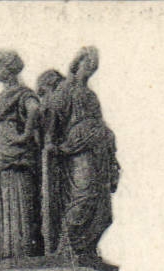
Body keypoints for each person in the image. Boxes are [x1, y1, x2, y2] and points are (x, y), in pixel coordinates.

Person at [42, 47, 119, 257]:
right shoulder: (67, 89)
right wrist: (49, 141)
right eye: (88, 64)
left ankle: (85, 248)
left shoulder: (91, 95)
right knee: (82, 196)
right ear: (77, 64)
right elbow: (52, 116)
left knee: (100, 205)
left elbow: (99, 121)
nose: (90, 69)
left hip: (98, 150)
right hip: (78, 148)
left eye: (94, 66)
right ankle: (67, 248)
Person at [0, 49, 42, 261]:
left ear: (8, 68)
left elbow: (35, 109)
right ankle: (6, 251)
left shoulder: (21, 92)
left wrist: (24, 135)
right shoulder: (5, 95)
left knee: (16, 199)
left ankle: (18, 251)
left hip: (14, 157)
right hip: (0, 158)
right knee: (0, 202)